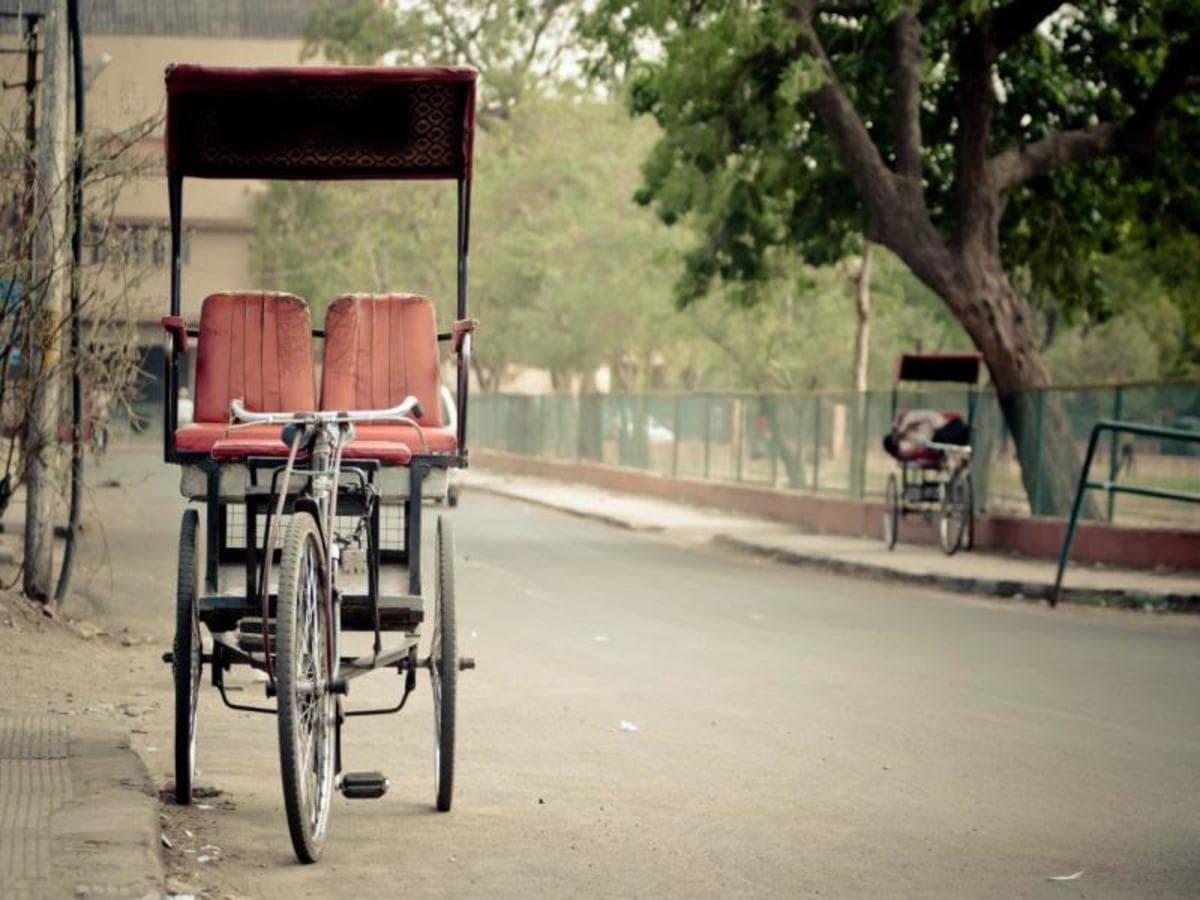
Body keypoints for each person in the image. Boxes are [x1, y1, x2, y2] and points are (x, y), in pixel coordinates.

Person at [883, 409, 968, 460]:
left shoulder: (908, 420)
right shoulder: (904, 442)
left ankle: (961, 442)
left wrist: (899, 428)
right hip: (934, 439)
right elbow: (919, 445)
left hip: (937, 427)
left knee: (950, 433)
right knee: (942, 443)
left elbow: (909, 420)